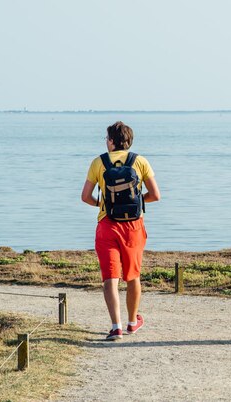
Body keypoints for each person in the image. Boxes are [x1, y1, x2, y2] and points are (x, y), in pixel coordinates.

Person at [81, 121, 161, 341]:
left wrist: (105, 204)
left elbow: (85, 197)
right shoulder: (141, 161)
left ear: (112, 141)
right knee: (133, 276)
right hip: (133, 226)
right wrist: (135, 202)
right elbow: (155, 195)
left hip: (107, 224)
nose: (105, 142)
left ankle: (116, 327)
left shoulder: (99, 162)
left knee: (110, 278)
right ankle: (132, 322)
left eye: (107, 138)